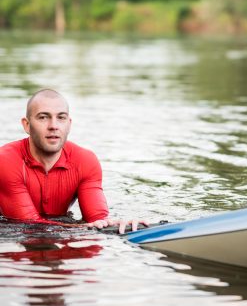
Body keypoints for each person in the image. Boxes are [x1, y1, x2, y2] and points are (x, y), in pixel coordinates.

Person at [0, 89, 147, 233]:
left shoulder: (85, 161)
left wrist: (118, 226)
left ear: (69, 124)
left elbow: (97, 218)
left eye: (61, 117)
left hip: (51, 227)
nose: (53, 126)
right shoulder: (6, 160)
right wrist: (83, 228)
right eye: (43, 117)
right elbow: (29, 225)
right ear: (26, 125)